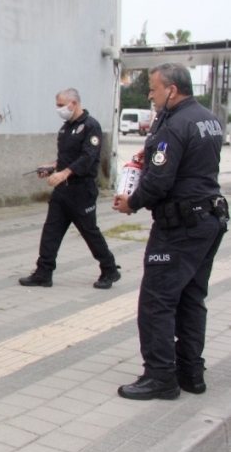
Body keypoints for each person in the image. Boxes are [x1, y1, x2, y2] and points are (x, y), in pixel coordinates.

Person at [113, 63, 226, 400]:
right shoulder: (207, 118)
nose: (149, 94)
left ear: (172, 90)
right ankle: (191, 372)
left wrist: (132, 202)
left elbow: (160, 182)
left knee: (156, 302)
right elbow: (187, 163)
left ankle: (160, 376)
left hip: (180, 227)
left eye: (153, 88)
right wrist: (151, 156)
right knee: (192, 297)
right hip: (208, 220)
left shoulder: (174, 125)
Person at [19, 88, 121, 289]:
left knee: (89, 232)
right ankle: (43, 272)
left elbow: (87, 157)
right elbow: (65, 159)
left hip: (81, 190)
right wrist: (51, 168)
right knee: (51, 231)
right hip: (62, 191)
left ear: (73, 103)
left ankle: (110, 269)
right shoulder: (66, 128)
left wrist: (64, 173)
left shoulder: (91, 127)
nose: (58, 109)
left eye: (61, 105)